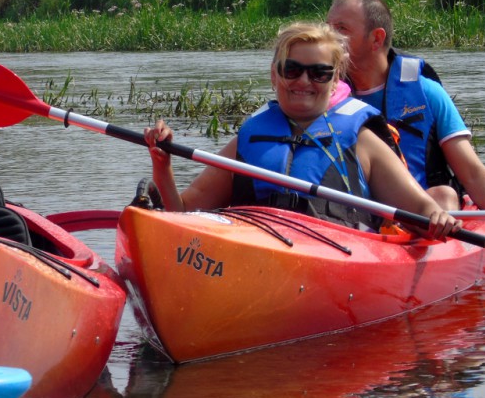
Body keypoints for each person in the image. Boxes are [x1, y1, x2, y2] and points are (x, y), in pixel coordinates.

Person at [144, 21, 461, 240]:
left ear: (336, 80)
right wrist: (162, 165)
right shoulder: (251, 137)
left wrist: (438, 218)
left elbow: (419, 211)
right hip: (255, 251)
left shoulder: (362, 140)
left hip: (339, 255)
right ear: (274, 75)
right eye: (292, 70)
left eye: (319, 73)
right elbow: (181, 213)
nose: (303, 82)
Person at [326, 0, 485, 249]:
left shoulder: (427, 92)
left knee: (443, 194)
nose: (329, 38)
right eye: (327, 27)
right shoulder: (322, 94)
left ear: (376, 39)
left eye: (341, 29)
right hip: (355, 214)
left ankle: (423, 254)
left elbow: (472, 172)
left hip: (422, 216)